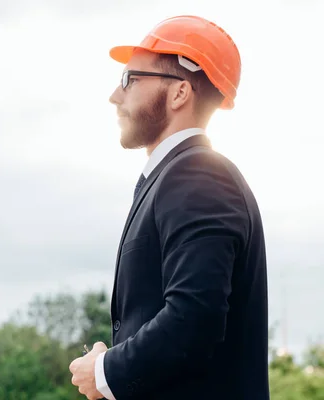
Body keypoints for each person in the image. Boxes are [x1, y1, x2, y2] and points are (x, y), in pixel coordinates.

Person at [68, 15, 270, 399]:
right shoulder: (179, 176)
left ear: (179, 93)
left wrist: (106, 370)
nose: (115, 95)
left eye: (130, 79)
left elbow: (194, 319)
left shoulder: (197, 175)